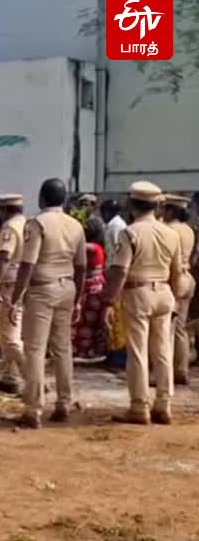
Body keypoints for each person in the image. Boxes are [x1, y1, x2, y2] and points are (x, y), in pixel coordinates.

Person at [101, 182, 184, 425]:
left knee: (137, 352)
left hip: (138, 293)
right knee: (162, 351)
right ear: (157, 205)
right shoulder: (172, 233)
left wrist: (109, 301)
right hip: (165, 292)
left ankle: (139, 406)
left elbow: (120, 270)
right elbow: (177, 272)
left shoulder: (131, 232)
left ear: (131, 204)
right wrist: (176, 298)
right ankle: (164, 404)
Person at [7, 178, 86, 429]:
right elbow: (82, 266)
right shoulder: (76, 225)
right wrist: (79, 299)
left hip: (42, 289)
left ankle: (33, 408)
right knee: (63, 348)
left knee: (35, 349)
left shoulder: (37, 223)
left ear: (42, 198)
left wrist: (15, 298)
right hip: (68, 286)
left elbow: (28, 264)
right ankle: (64, 402)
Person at [0, 195, 28, 393]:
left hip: (8, 284)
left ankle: (32, 378)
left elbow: (4, 257)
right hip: (21, 282)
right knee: (9, 332)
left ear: (4, 210)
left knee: (9, 336)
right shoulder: (28, 224)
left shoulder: (10, 228)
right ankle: (11, 376)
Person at [162, 194, 195, 385]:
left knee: (167, 329)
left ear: (171, 210)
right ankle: (181, 370)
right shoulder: (188, 230)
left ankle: (164, 374)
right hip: (187, 277)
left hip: (174, 279)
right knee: (181, 329)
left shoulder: (168, 230)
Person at [73, 217, 109, 361]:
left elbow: (79, 246)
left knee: (86, 321)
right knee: (89, 321)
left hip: (91, 288)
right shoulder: (99, 247)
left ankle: (85, 351)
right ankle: (89, 351)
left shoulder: (94, 247)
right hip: (94, 286)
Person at [100, 198, 127, 266]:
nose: (102, 215)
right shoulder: (109, 224)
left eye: (104, 211)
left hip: (114, 264)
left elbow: (118, 249)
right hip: (109, 263)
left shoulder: (117, 225)